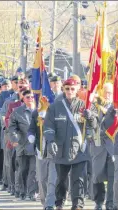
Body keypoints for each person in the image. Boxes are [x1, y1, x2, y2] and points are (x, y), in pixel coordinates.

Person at [43, 78, 98, 210]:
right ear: (63, 89)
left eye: (72, 89)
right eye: (67, 88)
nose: (70, 91)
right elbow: (49, 126)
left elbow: (95, 125)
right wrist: (50, 141)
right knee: (61, 180)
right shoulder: (55, 106)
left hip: (79, 149)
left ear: (77, 89)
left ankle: (77, 205)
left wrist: (90, 116)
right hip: (60, 149)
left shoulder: (85, 105)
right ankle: (59, 203)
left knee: (78, 179)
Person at [8, 90, 37, 201]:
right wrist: (14, 138)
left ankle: (32, 192)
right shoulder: (17, 112)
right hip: (23, 145)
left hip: (36, 146)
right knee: (23, 169)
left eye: (32, 97)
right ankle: (21, 190)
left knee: (34, 170)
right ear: (23, 99)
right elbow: (12, 127)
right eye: (28, 97)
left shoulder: (40, 110)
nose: (30, 99)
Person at [90, 82, 114, 210]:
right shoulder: (95, 106)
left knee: (112, 176)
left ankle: (110, 203)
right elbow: (91, 122)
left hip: (112, 144)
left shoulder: (116, 106)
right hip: (98, 143)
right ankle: (98, 201)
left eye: (110, 92)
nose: (108, 95)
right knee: (97, 174)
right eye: (106, 92)